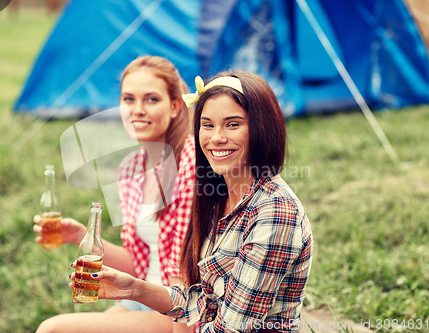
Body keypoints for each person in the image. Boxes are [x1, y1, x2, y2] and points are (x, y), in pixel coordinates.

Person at [72, 71, 314, 333]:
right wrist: (134, 288)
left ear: (261, 127)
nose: (216, 137)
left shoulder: (274, 211)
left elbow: (232, 328)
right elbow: (203, 303)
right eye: (207, 125)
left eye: (232, 124)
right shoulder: (217, 196)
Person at [34, 55, 196, 333]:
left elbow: (189, 274)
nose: (137, 110)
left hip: (183, 306)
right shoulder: (131, 168)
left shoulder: (192, 161)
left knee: (53, 329)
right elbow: (137, 262)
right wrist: (78, 235)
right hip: (142, 296)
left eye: (152, 99)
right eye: (128, 99)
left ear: (174, 106)